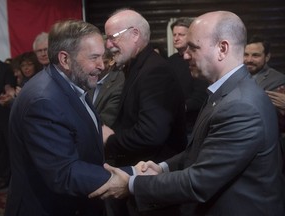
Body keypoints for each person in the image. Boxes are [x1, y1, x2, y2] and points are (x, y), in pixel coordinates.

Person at [89, 11, 285, 216]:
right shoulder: (227, 92)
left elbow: (199, 181)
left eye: (193, 47)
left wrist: (132, 184)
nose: (185, 55)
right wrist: (162, 167)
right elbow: (200, 150)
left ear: (222, 48)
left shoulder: (241, 105)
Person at [5, 19, 132, 216]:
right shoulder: (43, 101)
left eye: (102, 57)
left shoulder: (72, 84)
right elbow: (64, 172)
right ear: (65, 59)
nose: (102, 65)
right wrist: (130, 177)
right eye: (94, 57)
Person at [102, 8, 187, 216]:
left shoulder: (154, 71)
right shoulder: (137, 66)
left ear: (135, 34)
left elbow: (151, 133)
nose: (108, 45)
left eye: (112, 38)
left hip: (153, 183)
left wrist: (111, 141)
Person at [168, 17, 208, 136]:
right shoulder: (170, 61)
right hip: (173, 123)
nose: (176, 38)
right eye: (174, 34)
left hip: (193, 124)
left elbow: (201, 95)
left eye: (181, 34)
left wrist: (179, 108)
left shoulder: (198, 60)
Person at [87, 49, 125, 128]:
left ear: (111, 60)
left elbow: (106, 122)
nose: (92, 66)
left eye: (98, 61)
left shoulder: (119, 83)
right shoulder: (90, 78)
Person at [0, 56, 16, 190]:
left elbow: (9, 88)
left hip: (3, 112)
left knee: (7, 144)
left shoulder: (5, 68)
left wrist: (9, 94)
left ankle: (9, 177)